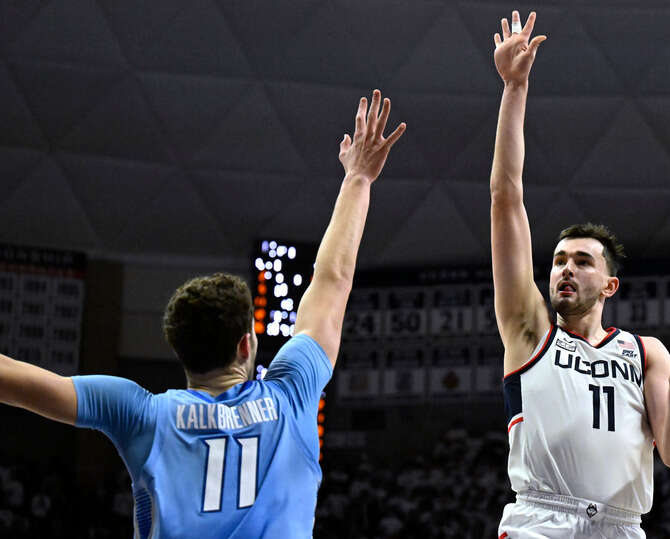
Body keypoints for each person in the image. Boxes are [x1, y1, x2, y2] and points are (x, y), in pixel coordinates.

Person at [0, 91, 405, 537]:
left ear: (180, 350)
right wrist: (358, 180)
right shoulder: (291, 394)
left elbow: (17, 382)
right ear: (246, 344)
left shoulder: (142, 415)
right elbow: (333, 280)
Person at [488, 10, 670, 538]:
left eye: (581, 260)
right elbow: (506, 199)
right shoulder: (530, 332)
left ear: (610, 285)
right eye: (557, 260)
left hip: (621, 527)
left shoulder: (647, 353)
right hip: (540, 521)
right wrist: (514, 88)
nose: (564, 269)